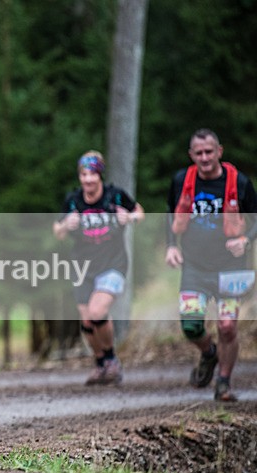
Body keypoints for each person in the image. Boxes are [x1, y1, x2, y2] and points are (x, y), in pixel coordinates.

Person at [165, 128, 256, 402]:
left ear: (219, 151)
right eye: (199, 153)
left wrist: (246, 240)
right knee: (191, 325)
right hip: (194, 266)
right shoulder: (182, 180)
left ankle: (224, 382)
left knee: (227, 327)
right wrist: (171, 245)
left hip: (232, 268)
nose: (204, 157)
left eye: (209, 151)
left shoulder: (239, 182)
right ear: (191, 155)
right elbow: (170, 214)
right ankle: (208, 352)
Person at [53, 150, 143, 385]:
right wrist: (65, 225)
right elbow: (57, 232)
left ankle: (112, 359)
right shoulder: (73, 201)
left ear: (100, 175)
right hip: (82, 267)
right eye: (84, 174)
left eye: (92, 174)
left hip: (113, 263)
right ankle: (101, 363)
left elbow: (139, 213)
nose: (88, 180)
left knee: (97, 312)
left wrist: (129, 218)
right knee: (86, 322)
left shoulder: (115, 196)